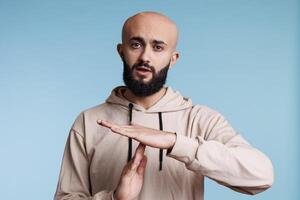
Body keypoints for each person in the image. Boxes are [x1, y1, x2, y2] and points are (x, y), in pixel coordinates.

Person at [54, 11, 274, 200]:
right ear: (121, 51)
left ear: (173, 58)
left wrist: (174, 142)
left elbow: (261, 175)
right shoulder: (89, 121)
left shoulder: (200, 119)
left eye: (158, 47)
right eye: (136, 44)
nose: (145, 57)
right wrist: (114, 198)